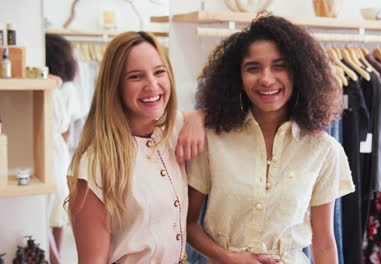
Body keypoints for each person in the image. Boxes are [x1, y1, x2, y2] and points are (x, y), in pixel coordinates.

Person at [185, 14, 355, 264]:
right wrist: (228, 257)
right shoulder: (212, 139)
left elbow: (324, 241)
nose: (266, 78)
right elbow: (187, 223)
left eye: (280, 66)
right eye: (253, 68)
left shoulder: (324, 150)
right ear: (237, 79)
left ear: (299, 73)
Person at [66, 31, 203, 263]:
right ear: (115, 86)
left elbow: (209, 114)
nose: (152, 85)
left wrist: (197, 120)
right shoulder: (95, 165)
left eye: (160, 72)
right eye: (136, 76)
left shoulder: (171, 130)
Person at [45, 33, 81, 264]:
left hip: (52, 150)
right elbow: (68, 131)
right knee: (56, 211)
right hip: (59, 152)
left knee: (49, 210)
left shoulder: (56, 88)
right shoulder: (67, 88)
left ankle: (53, 258)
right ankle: (54, 258)